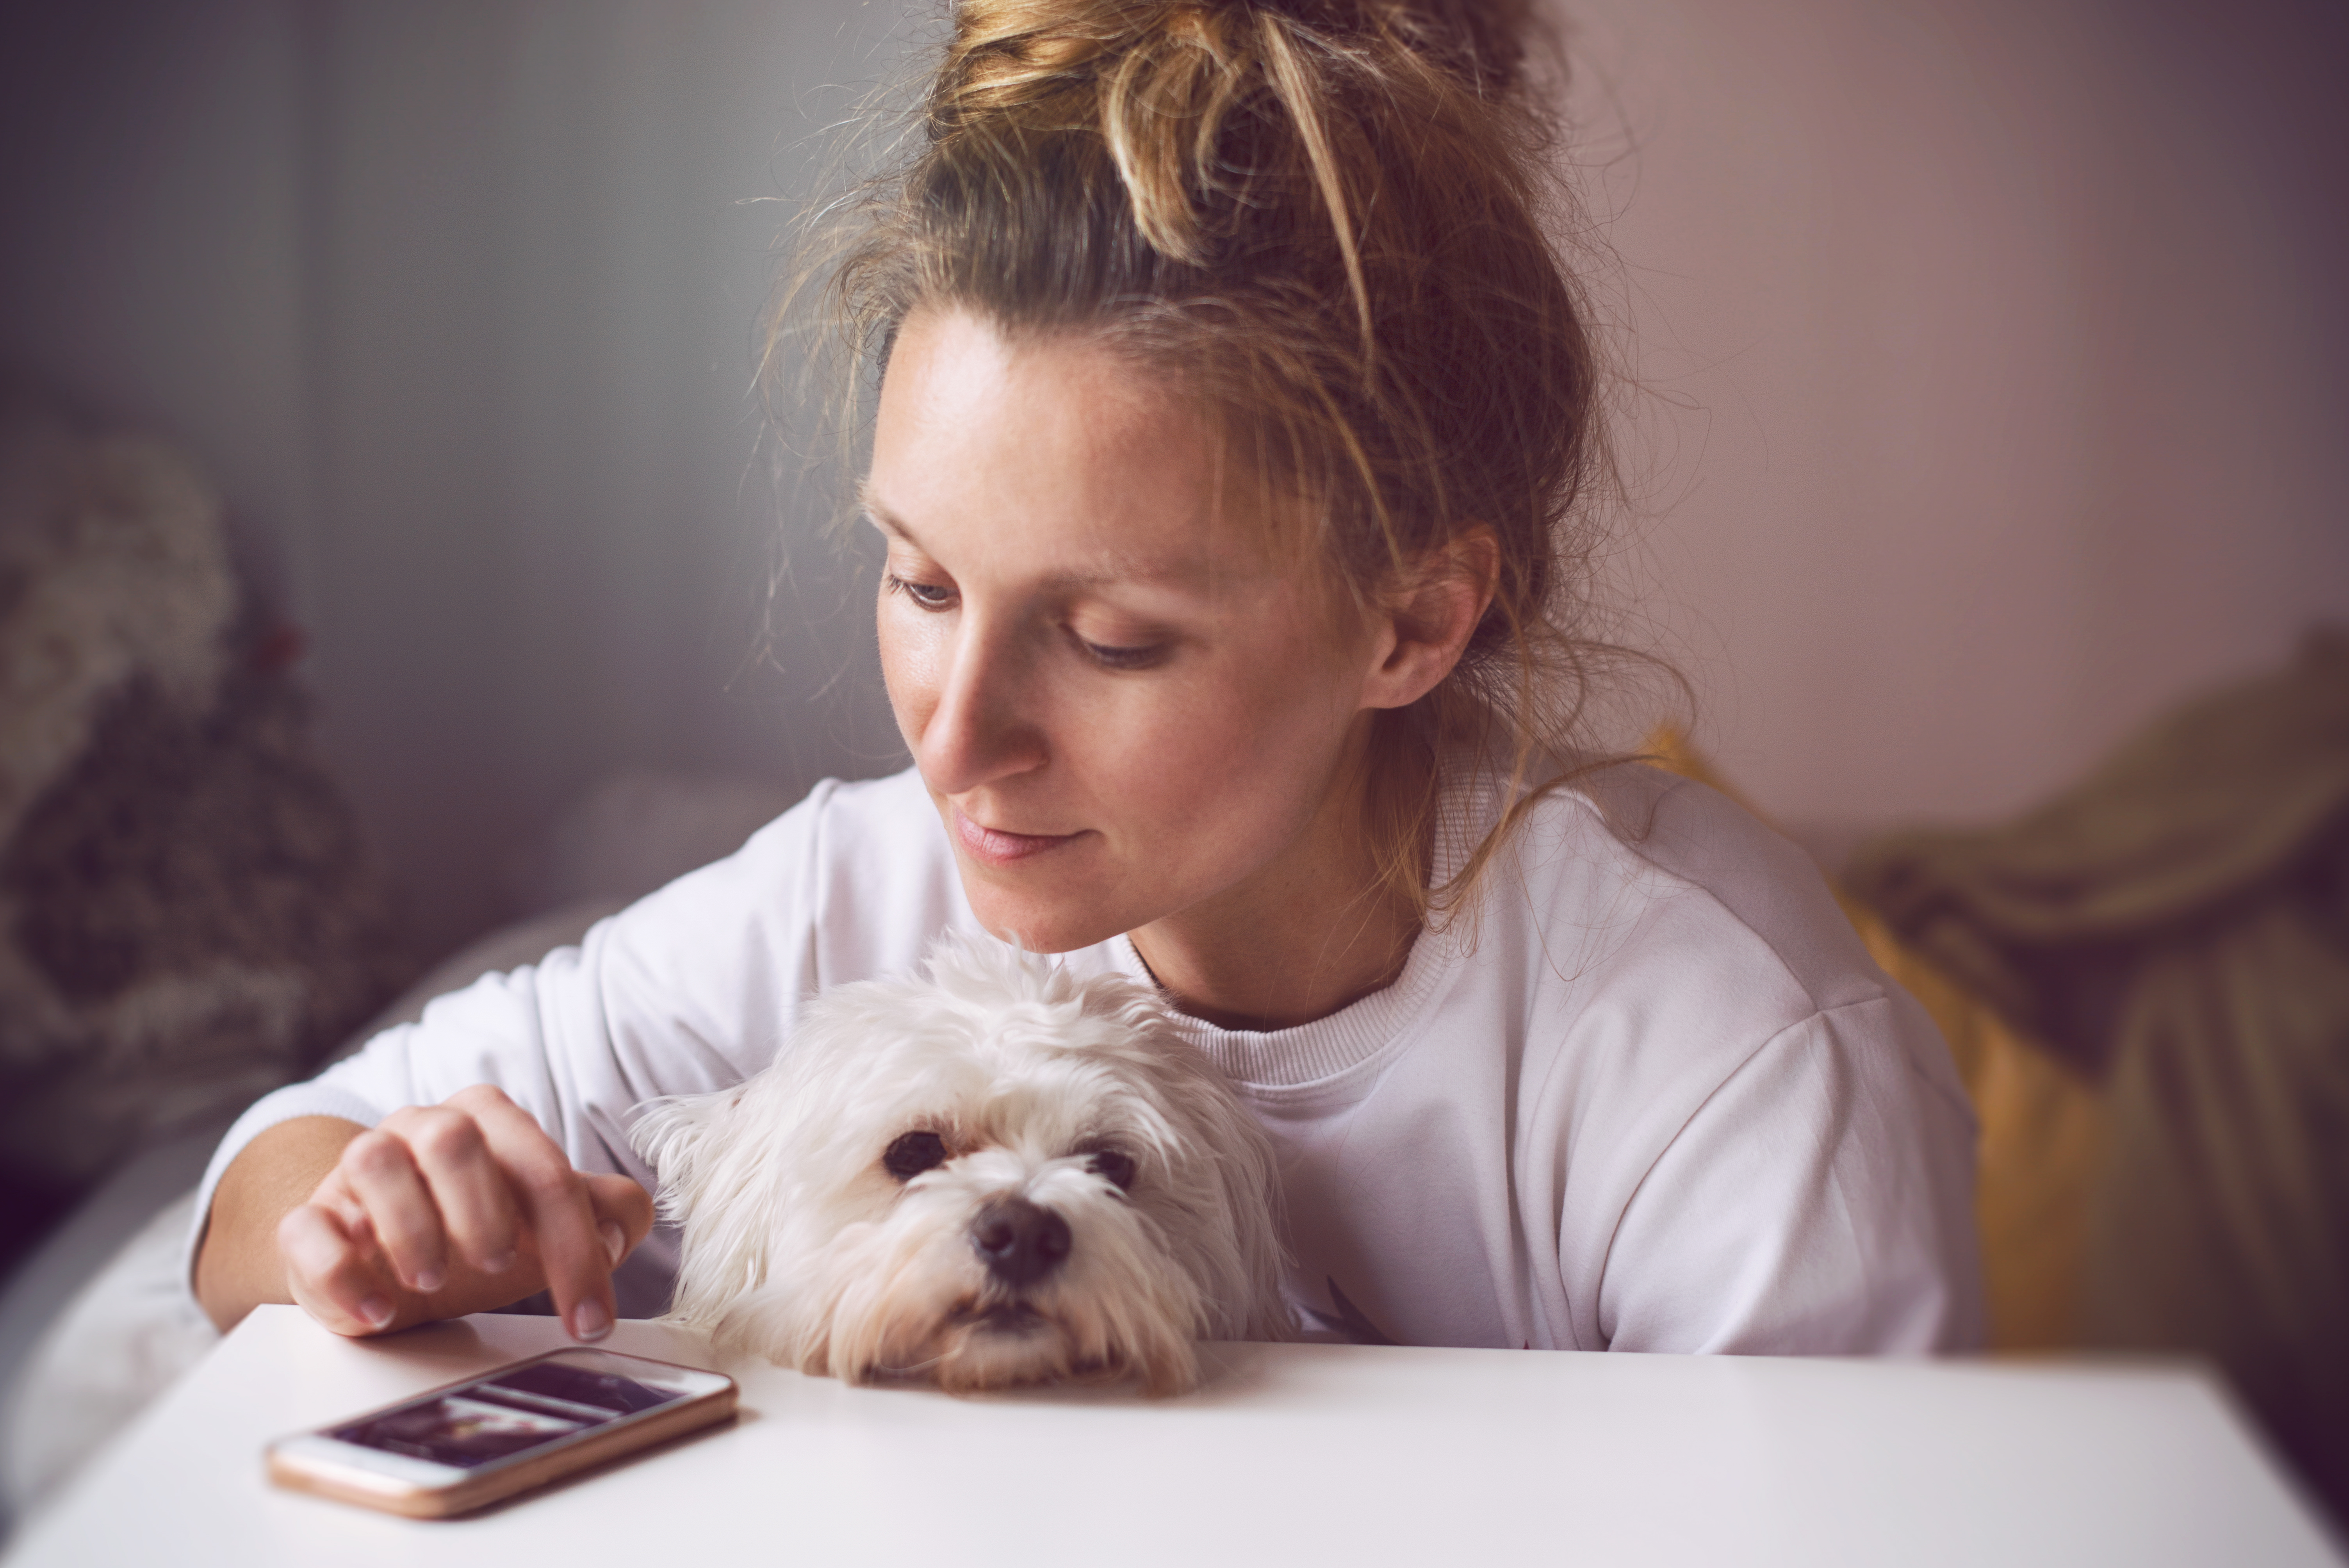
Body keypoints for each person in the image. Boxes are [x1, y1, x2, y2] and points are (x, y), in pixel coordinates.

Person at [190, 0, 1982, 1355]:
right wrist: (379, 1227)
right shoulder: (854, 895)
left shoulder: (1716, 1052)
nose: (955, 740)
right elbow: (256, 1187)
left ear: (1412, 622)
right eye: (921, 581)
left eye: (1111, 636)